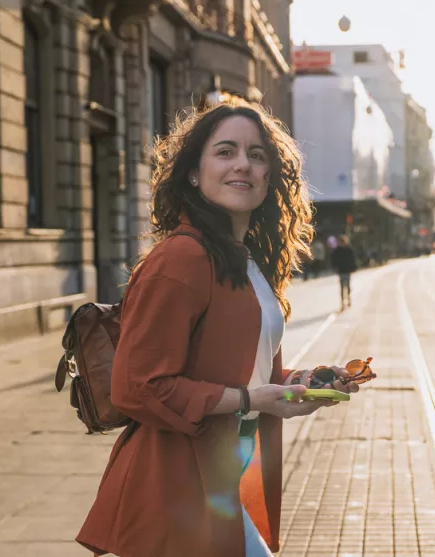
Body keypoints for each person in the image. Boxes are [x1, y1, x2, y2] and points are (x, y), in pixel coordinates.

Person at [76, 103, 361, 557]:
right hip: (175, 487)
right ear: (193, 172)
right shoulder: (181, 259)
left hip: (220, 477)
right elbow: (137, 387)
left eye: (257, 154)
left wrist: (296, 385)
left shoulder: (246, 261)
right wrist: (251, 400)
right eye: (225, 152)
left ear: (270, 177)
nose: (243, 164)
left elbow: (238, 371)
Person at [330, 235, 357, 310]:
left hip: (347, 270)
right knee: (342, 287)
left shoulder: (349, 250)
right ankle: (342, 302)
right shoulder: (337, 251)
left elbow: (353, 259)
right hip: (341, 270)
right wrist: (335, 267)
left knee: (347, 286)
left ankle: (348, 299)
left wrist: (354, 268)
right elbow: (333, 259)